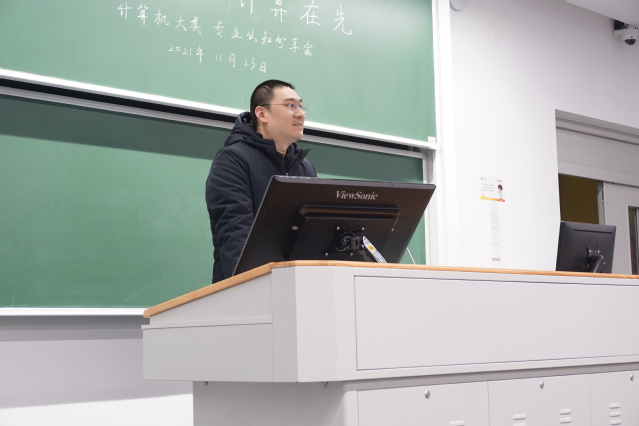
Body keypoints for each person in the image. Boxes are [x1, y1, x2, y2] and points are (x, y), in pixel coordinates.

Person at [205, 79, 317, 283]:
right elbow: (235, 232)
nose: (300, 114)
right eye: (290, 105)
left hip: (300, 286)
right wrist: (247, 285)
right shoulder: (233, 160)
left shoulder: (305, 168)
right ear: (262, 113)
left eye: (301, 106)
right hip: (249, 288)